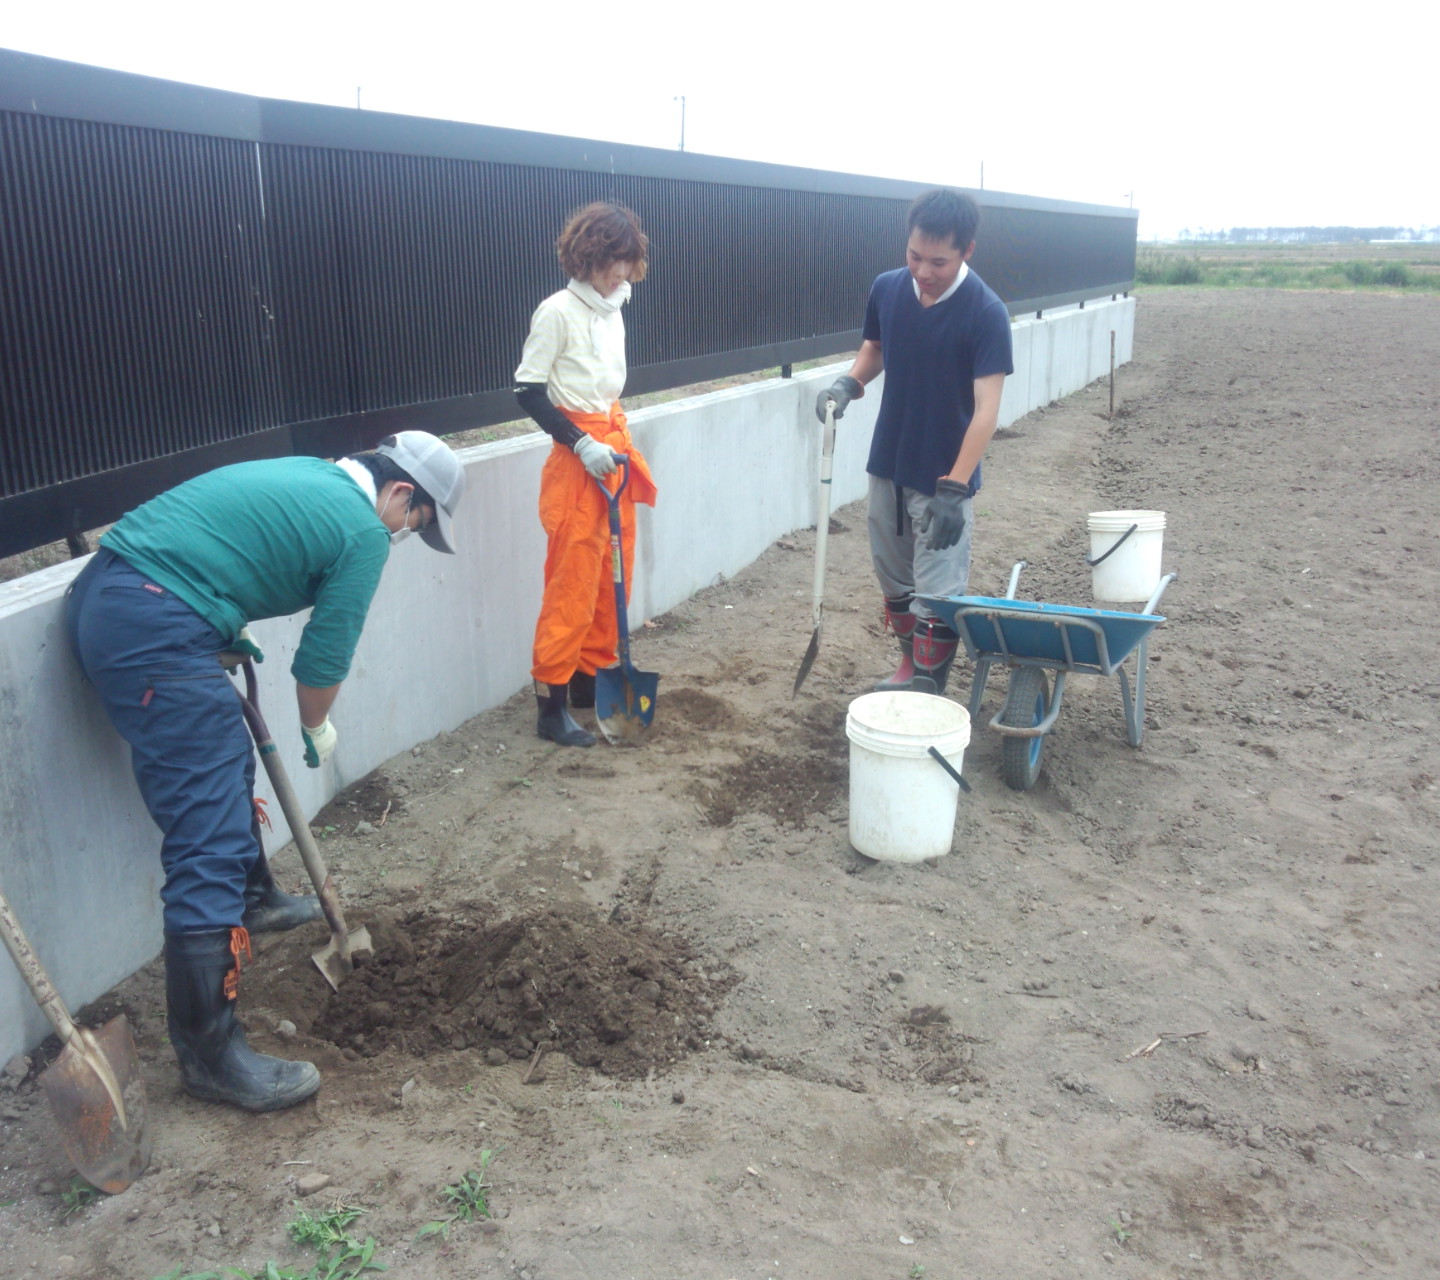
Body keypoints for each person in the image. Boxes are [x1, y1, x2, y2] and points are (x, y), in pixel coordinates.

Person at [64, 431, 465, 1112]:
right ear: (401, 492)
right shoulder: (362, 531)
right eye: (415, 521)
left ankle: (255, 899)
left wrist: (218, 611)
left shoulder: (314, 476)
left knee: (220, 757)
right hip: (154, 622)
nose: (404, 534)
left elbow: (225, 539)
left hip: (111, 594)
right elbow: (322, 662)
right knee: (209, 837)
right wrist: (316, 725)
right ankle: (209, 1055)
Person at [816, 188, 1013, 695]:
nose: (923, 271)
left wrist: (955, 488)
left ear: (967, 250)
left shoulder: (985, 312)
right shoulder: (888, 288)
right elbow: (876, 347)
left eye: (938, 262)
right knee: (894, 578)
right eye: (914, 256)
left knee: (938, 590)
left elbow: (987, 410)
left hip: (945, 474)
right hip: (890, 460)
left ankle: (927, 686)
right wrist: (848, 384)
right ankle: (910, 665)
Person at [514, 200, 658, 747]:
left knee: (611, 578)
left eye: (627, 262)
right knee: (572, 584)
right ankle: (550, 706)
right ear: (587, 256)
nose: (620, 273)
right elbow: (527, 390)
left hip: (613, 456)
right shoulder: (556, 312)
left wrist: (606, 443)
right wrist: (578, 442)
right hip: (578, 464)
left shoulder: (614, 307)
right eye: (611, 262)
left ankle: (587, 679)